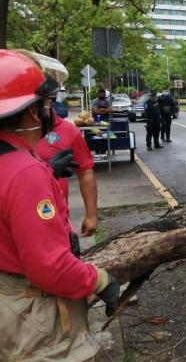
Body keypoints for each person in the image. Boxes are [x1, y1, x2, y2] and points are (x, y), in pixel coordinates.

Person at [0, 49, 119, 361]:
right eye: (44, 105)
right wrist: (99, 279)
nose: (49, 114)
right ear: (30, 113)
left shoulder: (18, 164)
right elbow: (49, 268)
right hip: (29, 309)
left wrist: (46, 172)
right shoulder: (26, 173)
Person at [36, 105, 98, 237]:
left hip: (57, 218)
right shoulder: (8, 132)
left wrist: (91, 215)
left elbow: (85, 172)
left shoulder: (68, 131)